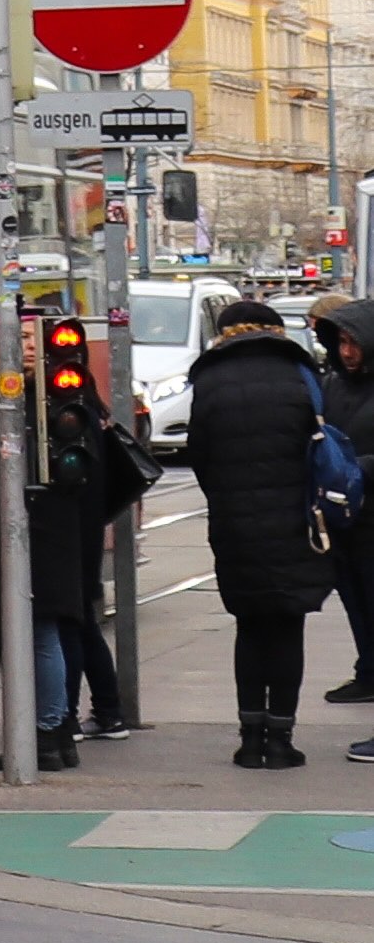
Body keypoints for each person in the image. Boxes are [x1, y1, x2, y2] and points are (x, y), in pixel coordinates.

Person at [176, 295, 334, 767]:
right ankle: (282, 741)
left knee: (249, 626)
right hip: (295, 521)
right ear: (275, 330)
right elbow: (322, 448)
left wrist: (227, 499)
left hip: (234, 523)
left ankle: (249, 739)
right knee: (287, 627)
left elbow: (198, 456)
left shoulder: (209, 379)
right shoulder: (301, 375)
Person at [24, 338, 148, 765]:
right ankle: (108, 710)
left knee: (68, 624)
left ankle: (67, 717)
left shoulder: (65, 409)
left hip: (70, 532)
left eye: (29, 340)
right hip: (84, 530)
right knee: (83, 620)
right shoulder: (82, 404)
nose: (24, 348)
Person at [313, 298, 374, 708]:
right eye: (341, 343)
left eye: (355, 343)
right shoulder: (332, 383)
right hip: (343, 513)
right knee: (354, 596)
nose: (347, 352)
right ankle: (368, 670)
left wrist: (363, 468)